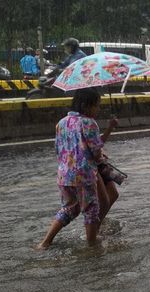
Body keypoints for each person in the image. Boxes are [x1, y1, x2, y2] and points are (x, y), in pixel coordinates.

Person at [37, 88, 105, 249]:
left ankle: (45, 242)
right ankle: (92, 245)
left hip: (64, 174)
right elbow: (96, 151)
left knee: (69, 209)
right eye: (97, 105)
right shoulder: (89, 123)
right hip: (83, 174)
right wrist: (101, 159)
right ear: (87, 105)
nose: (98, 109)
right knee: (91, 210)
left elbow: (59, 149)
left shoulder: (61, 122)